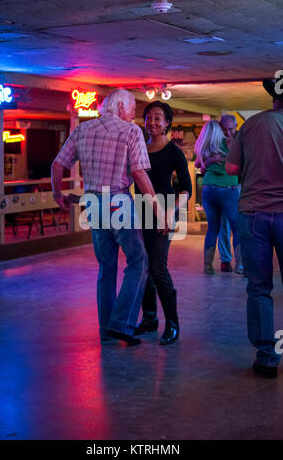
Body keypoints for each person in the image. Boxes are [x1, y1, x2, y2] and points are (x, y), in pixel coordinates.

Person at [51, 89, 166, 347]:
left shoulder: (83, 129)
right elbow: (138, 172)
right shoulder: (131, 131)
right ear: (122, 108)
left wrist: (57, 194)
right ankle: (122, 323)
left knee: (107, 268)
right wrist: (158, 209)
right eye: (134, 110)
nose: (134, 116)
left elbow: (58, 165)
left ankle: (106, 330)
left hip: (93, 203)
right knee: (139, 261)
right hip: (118, 202)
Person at [226, 78, 283, 378]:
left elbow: (231, 169)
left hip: (253, 213)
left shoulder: (252, 124)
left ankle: (268, 357)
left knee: (259, 287)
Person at [134, 101, 192, 345]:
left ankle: (172, 324)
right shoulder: (137, 147)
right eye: (149, 118)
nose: (153, 123)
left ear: (167, 123)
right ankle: (149, 319)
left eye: (158, 118)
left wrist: (170, 213)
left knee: (157, 267)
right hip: (140, 212)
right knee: (143, 267)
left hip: (164, 213)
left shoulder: (173, 152)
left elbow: (186, 189)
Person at [194, 120, 242, 275]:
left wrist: (209, 161)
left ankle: (207, 266)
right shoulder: (229, 142)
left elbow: (197, 165)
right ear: (219, 130)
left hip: (208, 190)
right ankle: (240, 266)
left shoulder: (204, 146)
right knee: (237, 228)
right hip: (228, 189)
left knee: (212, 229)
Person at [218, 114, 243, 274]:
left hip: (239, 186)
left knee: (239, 225)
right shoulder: (218, 142)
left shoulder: (242, 139)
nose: (228, 132)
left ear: (235, 127)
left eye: (231, 129)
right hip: (223, 186)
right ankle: (225, 260)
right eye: (225, 129)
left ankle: (241, 262)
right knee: (223, 225)